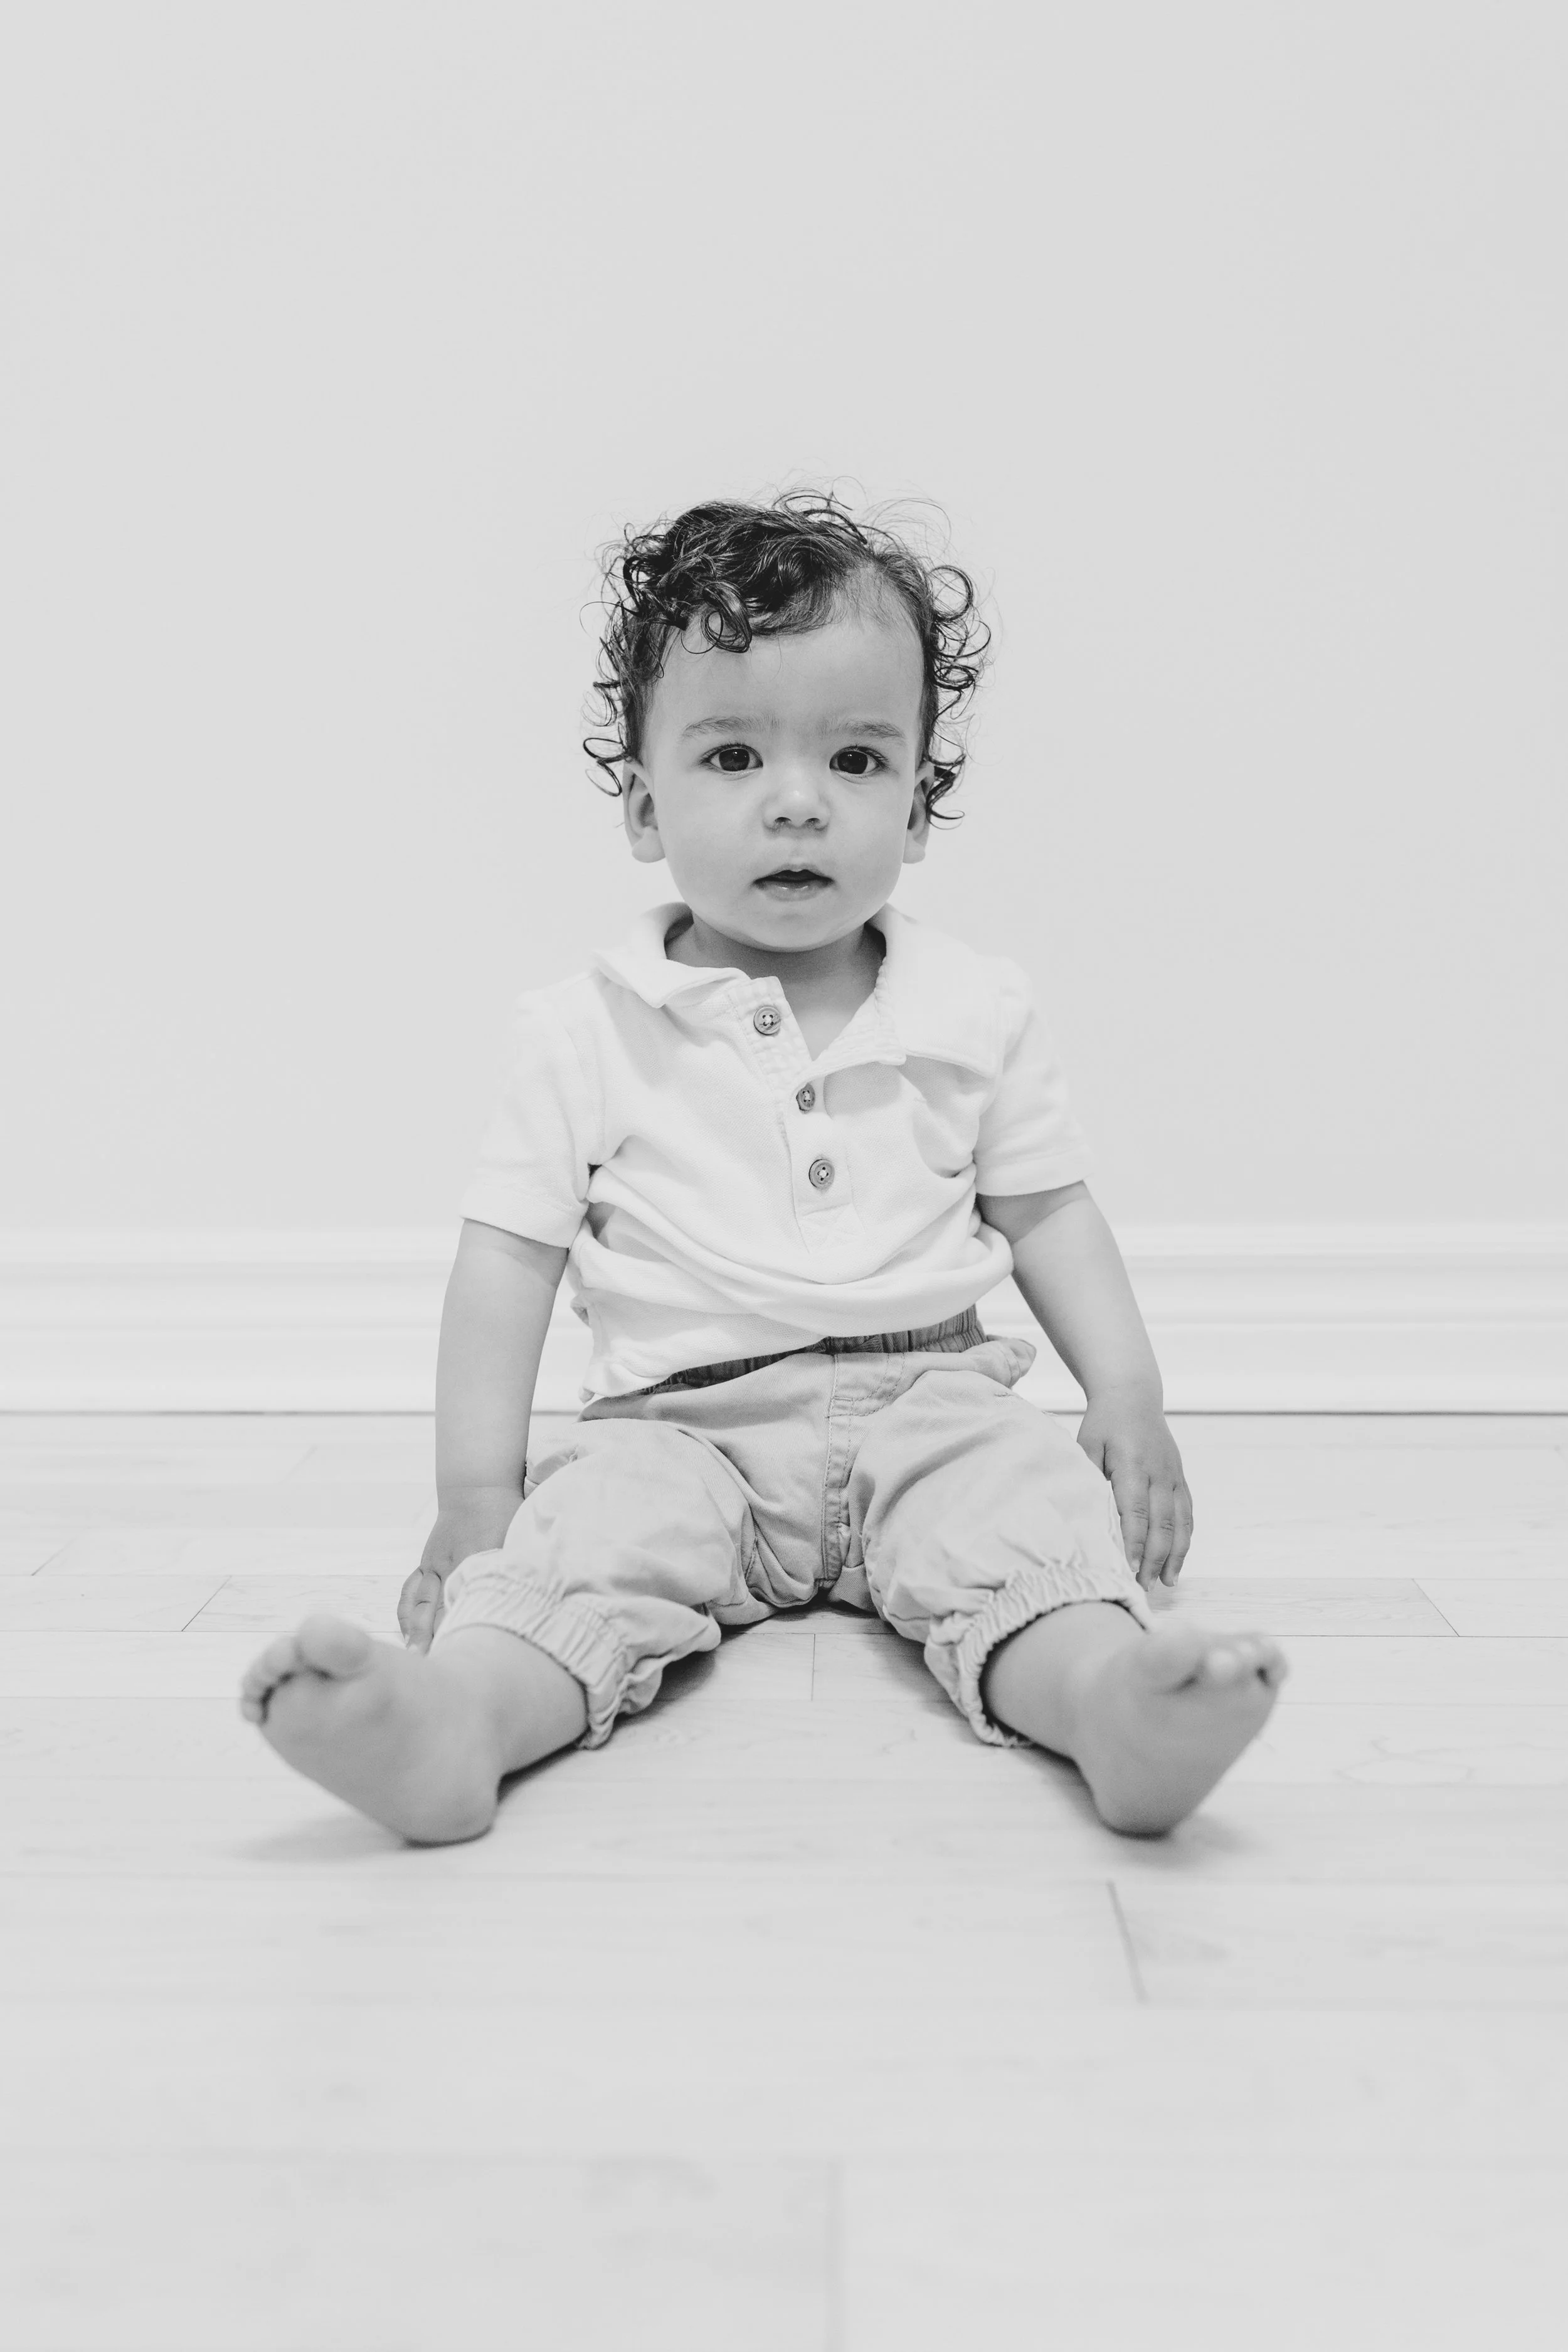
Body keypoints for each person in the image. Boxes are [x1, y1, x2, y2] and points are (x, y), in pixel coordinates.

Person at [239, 491, 1286, 1843]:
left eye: (855, 759)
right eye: (733, 756)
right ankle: (461, 1727)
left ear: (918, 808)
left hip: (932, 1401)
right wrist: (475, 1494)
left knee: (1026, 1525)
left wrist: (1127, 1391)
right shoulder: (584, 1029)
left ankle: (1110, 1710)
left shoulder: (974, 1006)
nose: (798, 802)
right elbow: (506, 1263)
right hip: (683, 1428)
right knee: (583, 1548)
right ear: (643, 805)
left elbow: (1048, 1212)